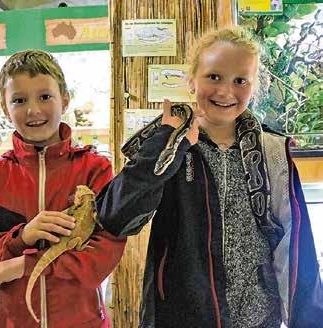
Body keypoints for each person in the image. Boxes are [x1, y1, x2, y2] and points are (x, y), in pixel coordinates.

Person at [96, 27, 323, 328]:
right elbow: (116, 216)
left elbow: (296, 247)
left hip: (258, 319)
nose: (226, 91)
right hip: (181, 318)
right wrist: (166, 140)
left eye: (240, 80)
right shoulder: (169, 144)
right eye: (214, 76)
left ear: (254, 87)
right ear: (191, 80)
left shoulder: (273, 151)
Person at [0, 50, 125, 328]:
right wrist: (20, 237)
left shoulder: (96, 170)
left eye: (45, 97)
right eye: (19, 100)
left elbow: (103, 255)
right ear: (4, 107)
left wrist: (23, 264)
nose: (33, 110)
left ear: (65, 99)